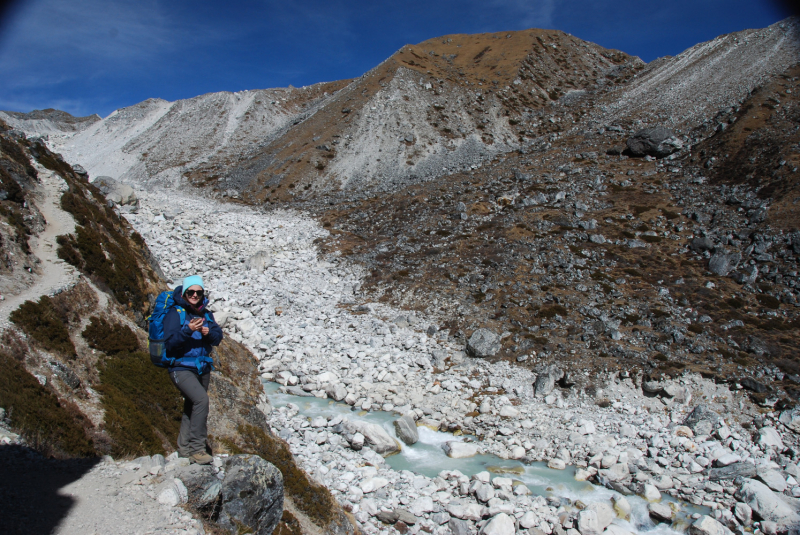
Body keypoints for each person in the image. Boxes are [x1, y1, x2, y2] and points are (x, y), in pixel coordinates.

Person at [163, 275, 223, 465]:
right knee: (201, 400)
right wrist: (188, 330)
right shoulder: (175, 313)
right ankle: (198, 449)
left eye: (199, 292)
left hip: (202, 367)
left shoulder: (206, 314)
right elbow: (170, 343)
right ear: (184, 293)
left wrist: (207, 333)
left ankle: (184, 449)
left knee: (192, 406)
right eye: (191, 292)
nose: (195, 295)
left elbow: (217, 338)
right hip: (180, 367)